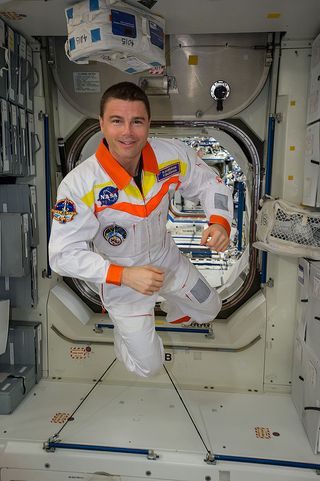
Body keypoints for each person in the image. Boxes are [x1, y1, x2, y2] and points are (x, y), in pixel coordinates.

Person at [49, 81, 233, 377]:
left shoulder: (170, 156)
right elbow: (61, 256)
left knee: (210, 308)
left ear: (148, 123)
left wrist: (220, 221)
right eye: (117, 121)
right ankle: (126, 332)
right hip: (122, 280)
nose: (127, 132)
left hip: (166, 262)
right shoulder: (79, 184)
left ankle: (166, 306)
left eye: (137, 121)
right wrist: (123, 275)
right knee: (149, 367)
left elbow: (210, 182)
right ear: (101, 124)